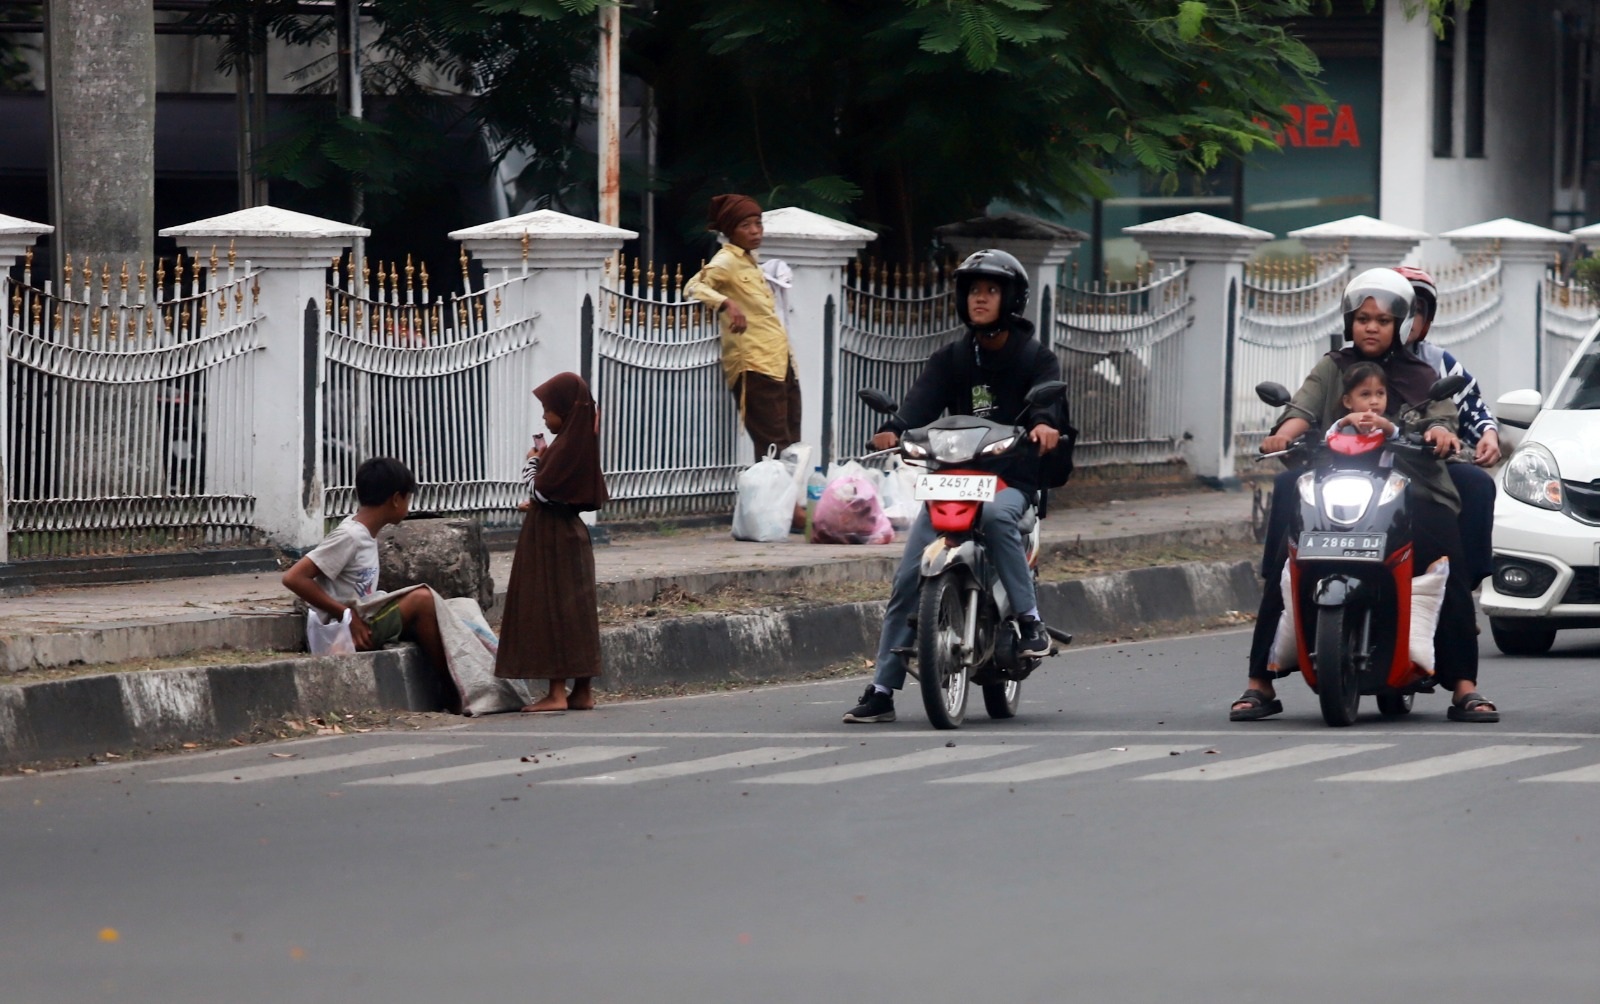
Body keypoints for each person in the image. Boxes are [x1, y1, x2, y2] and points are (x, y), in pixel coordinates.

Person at [1230, 268, 1499, 724]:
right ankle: (1260, 683)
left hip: (1413, 486)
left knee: (1445, 562)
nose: (1371, 327)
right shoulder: (1332, 367)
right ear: (1349, 322)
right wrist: (1283, 435)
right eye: (1362, 319)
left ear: (1400, 325)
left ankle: (1464, 687)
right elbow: (1301, 409)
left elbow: (1442, 418)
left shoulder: (1423, 373)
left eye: (1383, 320)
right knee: (1285, 558)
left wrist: (1438, 432)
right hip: (1337, 478)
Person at [843, 249, 1069, 724]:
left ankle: (1030, 623)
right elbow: (919, 403)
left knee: (997, 517)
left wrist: (1044, 424)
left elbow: (1047, 402)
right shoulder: (952, 357)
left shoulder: (1034, 357)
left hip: (1009, 478)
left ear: (1011, 299)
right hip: (953, 481)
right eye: (972, 290)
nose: (979, 299)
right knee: (908, 578)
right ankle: (882, 689)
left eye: (991, 290)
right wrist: (894, 428)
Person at [685, 195, 807, 532]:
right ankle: (787, 511)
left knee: (790, 438)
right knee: (773, 441)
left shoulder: (752, 263)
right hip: (753, 364)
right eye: (746, 225)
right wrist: (726, 303)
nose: (755, 231)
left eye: (758, 224)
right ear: (730, 230)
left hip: (779, 360)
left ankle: (780, 508)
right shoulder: (726, 261)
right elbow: (693, 287)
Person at [495, 372, 609, 713]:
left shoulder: (564, 448)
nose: (544, 417)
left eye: (548, 409)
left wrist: (532, 462)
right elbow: (565, 495)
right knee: (576, 612)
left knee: (550, 607)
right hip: (573, 535)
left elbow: (542, 491)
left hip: (551, 540)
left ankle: (556, 693)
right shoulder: (582, 444)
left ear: (565, 409)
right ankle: (582, 691)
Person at [282, 457, 447, 673]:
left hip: (361, 619)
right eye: (408, 498)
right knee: (422, 599)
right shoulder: (350, 535)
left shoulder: (367, 534)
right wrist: (346, 615)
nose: (408, 505)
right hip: (345, 631)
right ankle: (449, 684)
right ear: (396, 499)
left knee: (453, 609)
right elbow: (294, 577)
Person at [1396, 265, 1500, 588]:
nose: (1405, 319)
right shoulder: (1344, 361)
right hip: (1360, 465)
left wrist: (1488, 434)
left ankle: (1460, 586)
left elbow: (1470, 406)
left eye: (1416, 311)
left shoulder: (1437, 363)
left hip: (1428, 465)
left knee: (1477, 484)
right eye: (1397, 309)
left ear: (1427, 320)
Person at [1327, 362, 1395, 439]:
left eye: (1380, 393)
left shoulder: (1384, 426)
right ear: (1348, 401)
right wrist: (1345, 421)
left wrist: (1385, 425)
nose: (1374, 401)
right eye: (1365, 394)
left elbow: (1397, 435)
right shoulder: (1345, 424)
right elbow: (1329, 437)